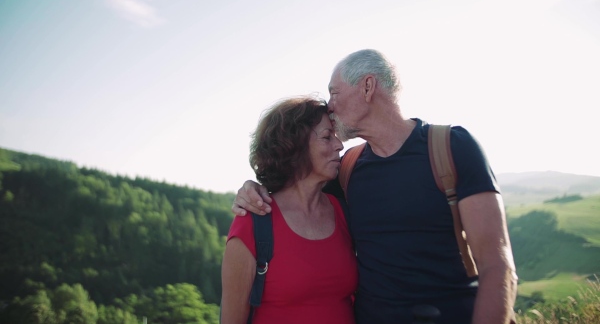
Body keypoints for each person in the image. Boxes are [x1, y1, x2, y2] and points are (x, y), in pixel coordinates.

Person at [231, 49, 518, 324]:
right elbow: (295, 188)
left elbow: (497, 265)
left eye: (334, 92)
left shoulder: (452, 148)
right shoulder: (347, 169)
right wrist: (252, 188)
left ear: (368, 87)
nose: (330, 106)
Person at [220, 96, 358, 324]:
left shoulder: (343, 210)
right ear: (295, 146)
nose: (339, 145)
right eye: (326, 137)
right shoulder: (254, 221)